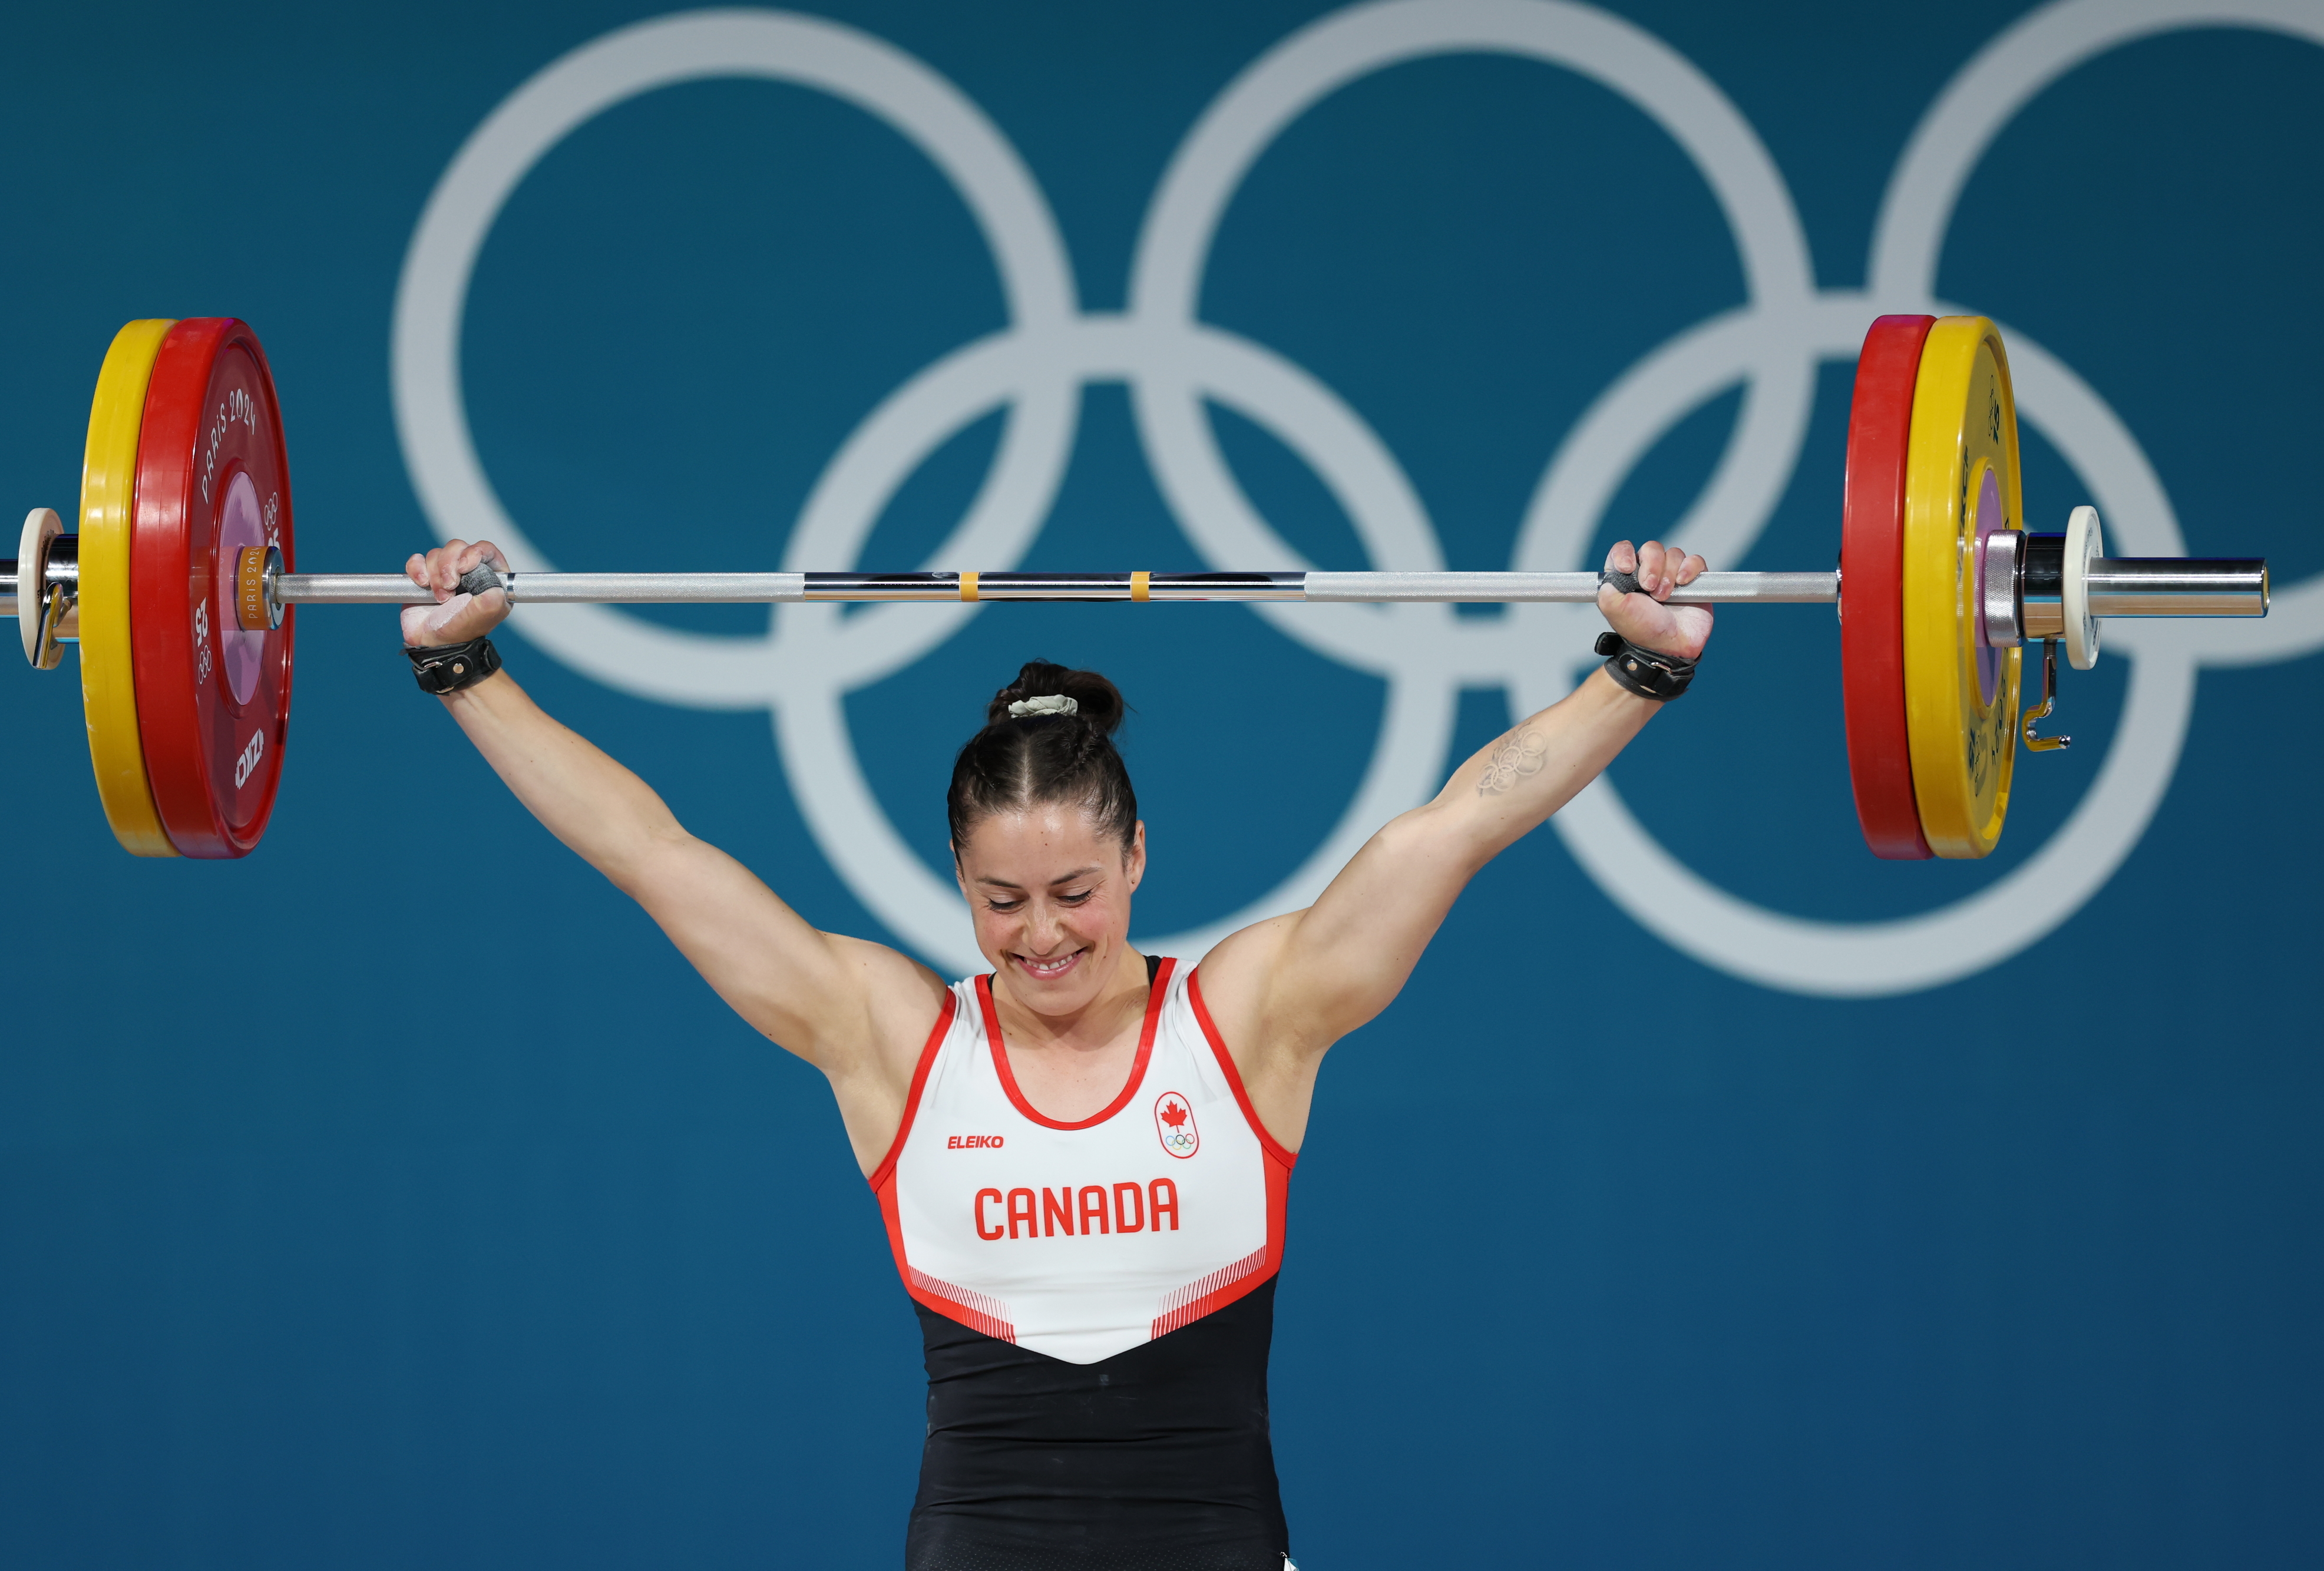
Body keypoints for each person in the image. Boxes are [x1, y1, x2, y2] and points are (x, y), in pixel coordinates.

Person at [399, 535, 1713, 1571]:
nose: (1040, 936)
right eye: (1002, 899)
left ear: (1137, 855)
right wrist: (467, 670)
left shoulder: (1247, 1018)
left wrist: (1634, 669)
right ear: (958, 881)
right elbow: (653, 854)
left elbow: (1448, 832)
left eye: (1076, 889)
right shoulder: (890, 1035)